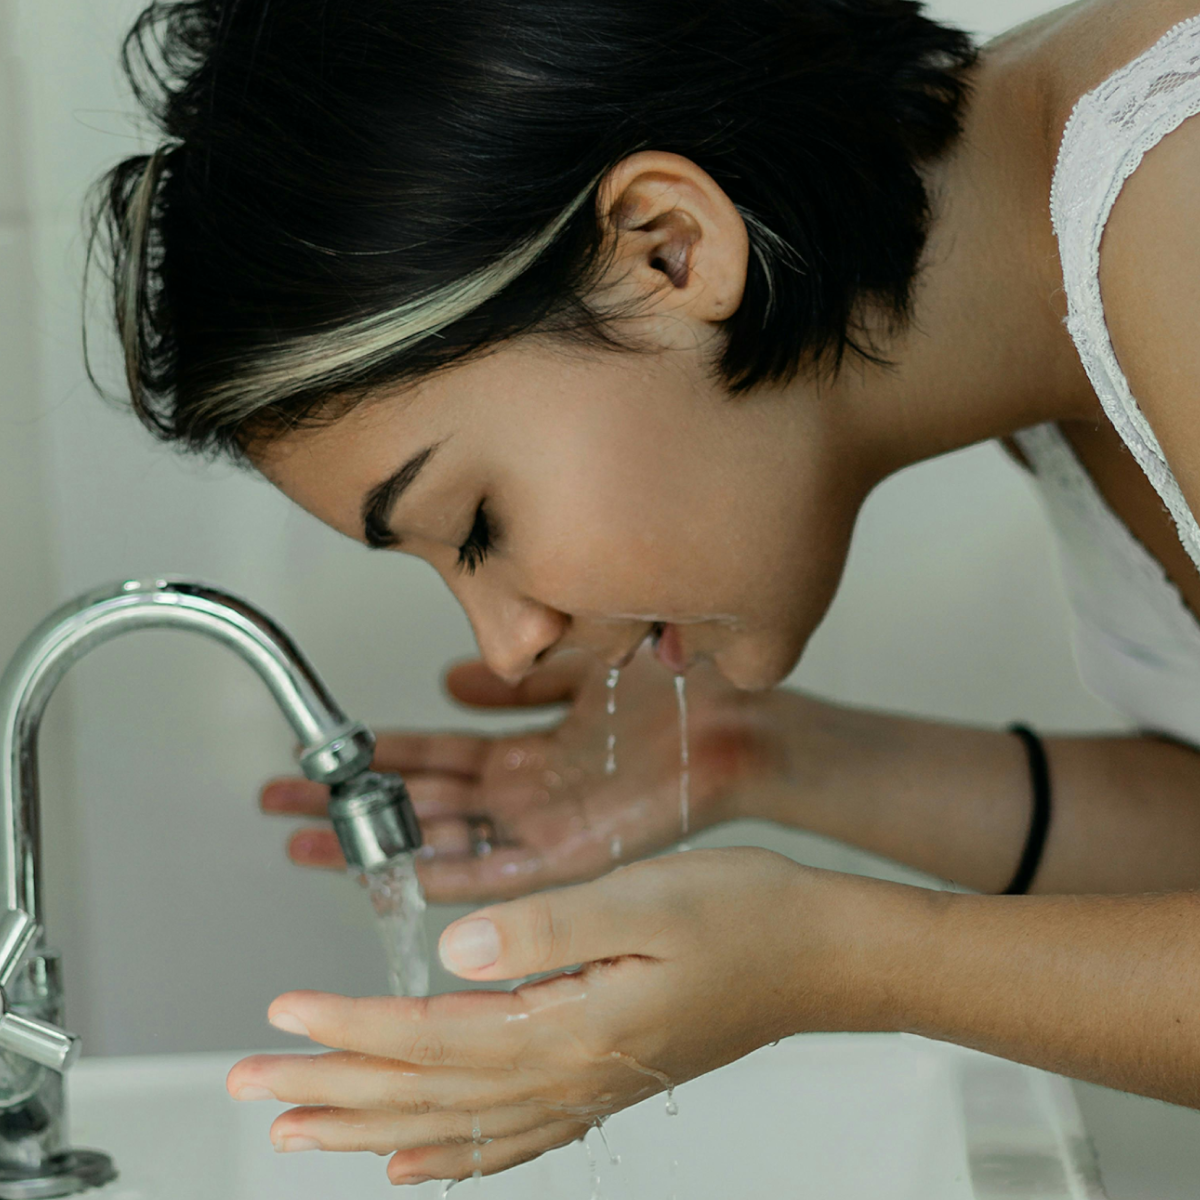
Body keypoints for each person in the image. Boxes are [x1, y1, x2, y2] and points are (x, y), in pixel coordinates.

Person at [93, 0, 1200, 1182]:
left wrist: (842, 958)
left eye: (477, 524)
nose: (512, 645)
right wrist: (759, 757)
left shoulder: (1177, 198)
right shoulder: (1042, 292)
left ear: (668, 247)